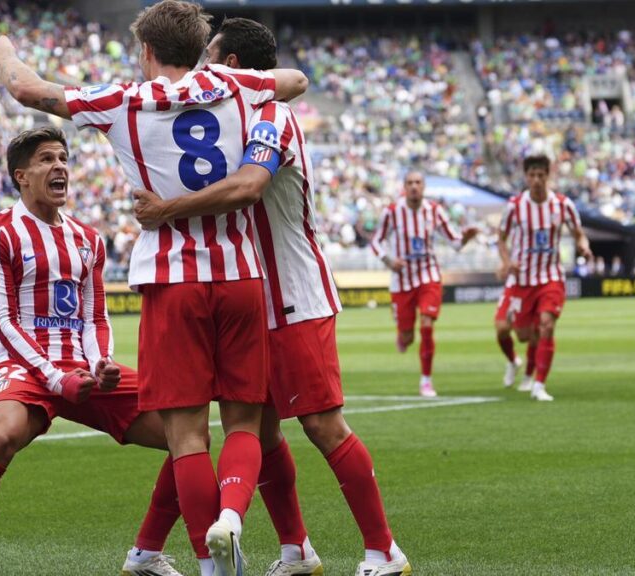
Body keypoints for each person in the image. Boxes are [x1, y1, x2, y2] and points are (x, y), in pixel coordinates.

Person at [0, 3, 308, 574]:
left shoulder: (124, 100)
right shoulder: (236, 84)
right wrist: (236, 78)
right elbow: (295, 81)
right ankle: (233, 514)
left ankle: (209, 565)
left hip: (171, 278)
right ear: (197, 47)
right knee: (243, 421)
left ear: (148, 52)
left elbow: (29, 91)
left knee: (185, 437)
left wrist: (3, 50)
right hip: (239, 275)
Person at [133, 17, 412, 576]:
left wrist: (162, 212)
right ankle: (295, 549)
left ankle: (384, 551)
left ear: (232, 65)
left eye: (209, 56)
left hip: (293, 297)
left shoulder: (271, 117)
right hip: (249, 297)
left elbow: (248, 187)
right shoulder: (227, 115)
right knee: (257, 431)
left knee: (323, 425)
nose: (199, 68)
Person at [0, 126, 185, 576]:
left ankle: (146, 555)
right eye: (46, 160)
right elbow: (4, 321)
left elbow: (95, 316)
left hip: (81, 368)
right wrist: (55, 379)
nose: (59, 168)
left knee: (187, 435)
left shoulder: (87, 239)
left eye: (63, 159)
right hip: (25, 365)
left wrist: (101, 363)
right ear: (22, 176)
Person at [370, 172, 478, 397]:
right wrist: (389, 260)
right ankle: (403, 332)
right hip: (402, 279)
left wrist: (466, 237)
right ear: (404, 187)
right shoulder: (392, 212)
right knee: (408, 338)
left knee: (427, 324)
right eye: (410, 183)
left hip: (428, 276)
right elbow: (376, 241)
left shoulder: (435, 211)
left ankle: (426, 381)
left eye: (418, 183)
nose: (414, 187)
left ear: (424, 186)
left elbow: (456, 243)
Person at [498, 155, 592, 401]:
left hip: (551, 277)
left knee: (547, 325)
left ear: (548, 176)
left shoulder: (562, 205)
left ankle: (539, 384)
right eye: (532, 175)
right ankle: (523, 367)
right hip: (522, 280)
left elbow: (579, 234)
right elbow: (501, 238)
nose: (537, 180)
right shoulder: (515, 206)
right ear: (526, 177)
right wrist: (508, 263)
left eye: (541, 175)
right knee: (524, 334)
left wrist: (584, 246)